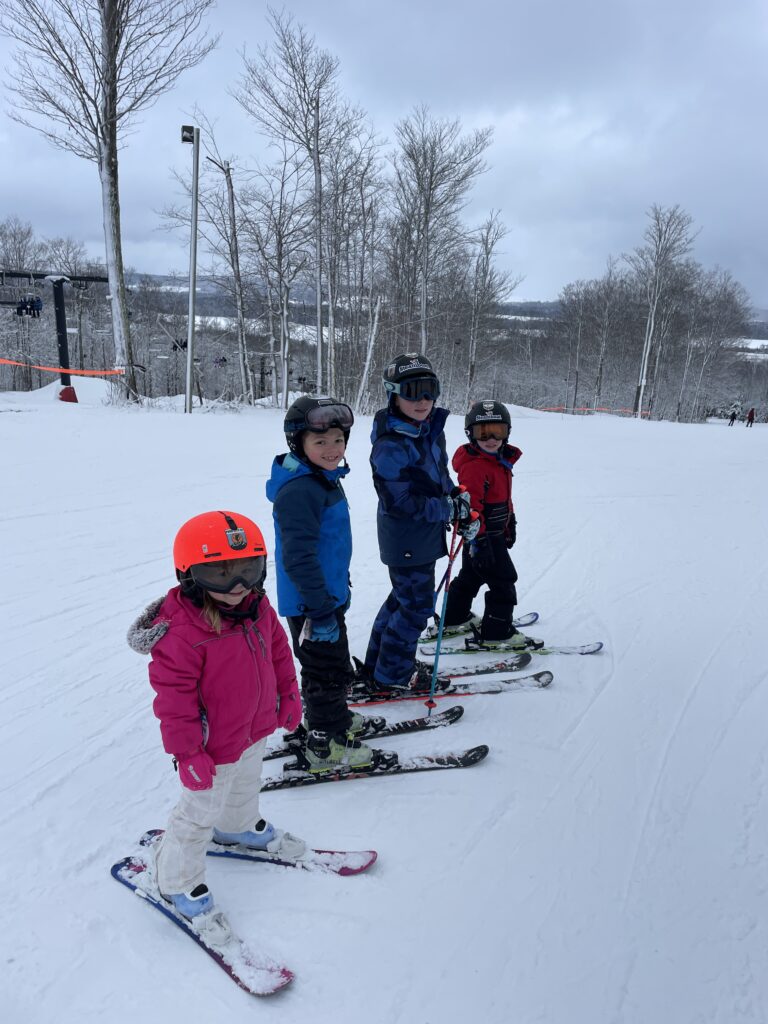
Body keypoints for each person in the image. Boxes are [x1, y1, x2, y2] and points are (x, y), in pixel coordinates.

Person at [127, 510, 305, 935]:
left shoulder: (257, 606)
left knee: (246, 783)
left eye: (247, 568)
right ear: (189, 575)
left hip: (253, 728)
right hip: (210, 746)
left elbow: (279, 653)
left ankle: (238, 827)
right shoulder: (182, 633)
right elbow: (174, 702)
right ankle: (174, 880)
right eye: (219, 573)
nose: (237, 585)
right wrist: (187, 752)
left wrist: (289, 695)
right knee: (197, 812)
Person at [266, 396, 384, 773]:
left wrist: (337, 587)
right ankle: (325, 741)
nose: (333, 449)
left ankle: (333, 717)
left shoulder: (320, 479)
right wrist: (319, 607)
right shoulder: (300, 490)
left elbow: (327, 546)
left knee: (329, 666)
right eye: (321, 442)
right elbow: (297, 558)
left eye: (338, 440)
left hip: (325, 598)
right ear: (298, 444)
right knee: (326, 670)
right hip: (311, 605)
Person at [357, 353, 478, 693]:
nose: (423, 400)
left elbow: (437, 477)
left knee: (402, 599)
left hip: (421, 535)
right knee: (416, 608)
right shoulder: (391, 444)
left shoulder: (427, 430)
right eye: (412, 391)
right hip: (406, 537)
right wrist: (447, 509)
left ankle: (380, 665)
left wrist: (457, 498)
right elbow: (399, 503)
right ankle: (394, 675)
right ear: (393, 394)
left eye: (430, 390)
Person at [440, 401, 539, 649]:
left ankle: (454, 618)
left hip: (488, 535)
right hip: (482, 538)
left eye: (498, 431)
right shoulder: (475, 467)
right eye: (483, 432)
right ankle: (497, 633)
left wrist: (509, 521)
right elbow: (472, 508)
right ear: (470, 434)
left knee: (470, 577)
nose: (491, 438)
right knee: (503, 582)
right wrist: (481, 540)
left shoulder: (499, 461)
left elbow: (502, 498)